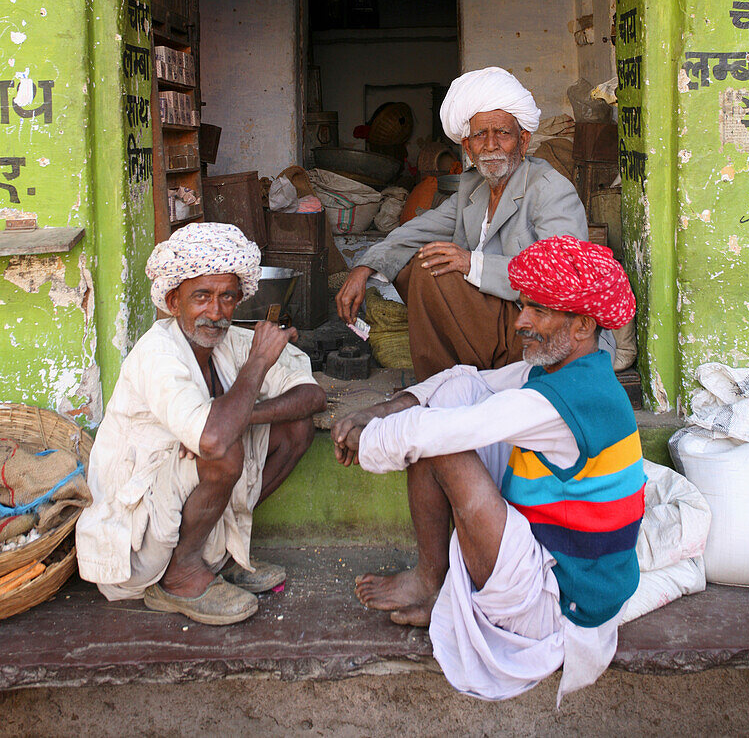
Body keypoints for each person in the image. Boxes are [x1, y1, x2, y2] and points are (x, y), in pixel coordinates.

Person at [331, 236, 643, 704]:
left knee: (442, 437)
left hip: (556, 600)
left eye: (538, 311)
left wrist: (369, 438)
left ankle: (430, 580)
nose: (521, 322)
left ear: (581, 325)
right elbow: (468, 382)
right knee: (450, 403)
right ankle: (430, 581)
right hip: (548, 556)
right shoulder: (564, 369)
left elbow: (454, 428)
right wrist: (386, 406)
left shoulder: (565, 400)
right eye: (523, 307)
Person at [77, 223, 326, 625]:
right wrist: (259, 366)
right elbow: (212, 440)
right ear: (174, 301)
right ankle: (180, 576)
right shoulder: (158, 353)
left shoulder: (228, 340)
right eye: (202, 297)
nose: (216, 312)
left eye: (227, 297)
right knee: (222, 450)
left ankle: (217, 556)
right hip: (137, 535)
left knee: (296, 429)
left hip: (182, 504)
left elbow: (311, 396)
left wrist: (243, 417)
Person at [335, 67, 589, 379]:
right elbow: (415, 232)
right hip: (486, 321)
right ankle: (447, 381)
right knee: (412, 262)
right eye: (481, 135)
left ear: (523, 142)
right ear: (467, 148)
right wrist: (363, 268)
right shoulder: (474, 188)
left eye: (503, 134)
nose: (491, 145)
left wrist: (472, 263)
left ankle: (445, 384)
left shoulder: (550, 189)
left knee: (436, 271)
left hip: (531, 328)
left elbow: (561, 277)